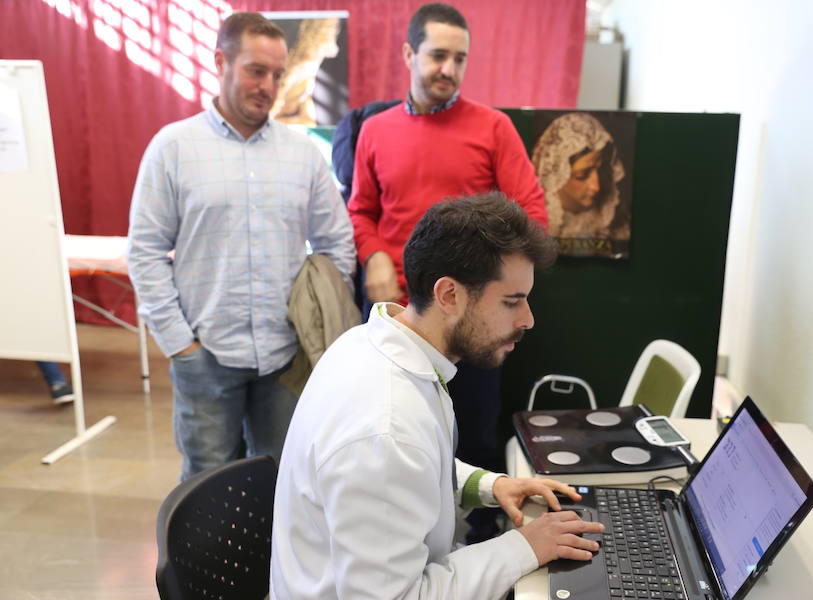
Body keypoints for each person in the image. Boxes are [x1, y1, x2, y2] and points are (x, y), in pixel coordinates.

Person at [271, 193, 603, 600]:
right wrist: (525, 546)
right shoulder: (385, 426)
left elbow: (413, 471)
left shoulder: (371, 344)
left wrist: (489, 486)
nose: (528, 319)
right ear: (449, 295)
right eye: (511, 301)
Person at [347, 1, 548, 541]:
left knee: (477, 436)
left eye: (460, 59)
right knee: (393, 431)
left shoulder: (494, 129)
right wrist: (375, 254)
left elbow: (532, 217)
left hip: (475, 319)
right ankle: (401, 542)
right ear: (409, 54)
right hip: (402, 316)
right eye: (438, 56)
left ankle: (484, 545)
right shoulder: (375, 129)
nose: (449, 70)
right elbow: (361, 210)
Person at [126, 12, 355, 482]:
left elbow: (337, 245)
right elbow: (146, 251)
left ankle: (270, 562)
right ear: (220, 62)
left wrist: (311, 325)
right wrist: (180, 344)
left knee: (283, 486)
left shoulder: (302, 155)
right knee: (205, 490)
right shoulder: (173, 148)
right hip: (205, 357)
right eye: (256, 70)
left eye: (277, 74)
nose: (268, 85)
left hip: (284, 360)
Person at [531, 112, 628, 240]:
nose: (596, 186)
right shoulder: (535, 224)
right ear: (556, 175)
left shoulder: (614, 226)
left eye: (600, 170)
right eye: (582, 175)